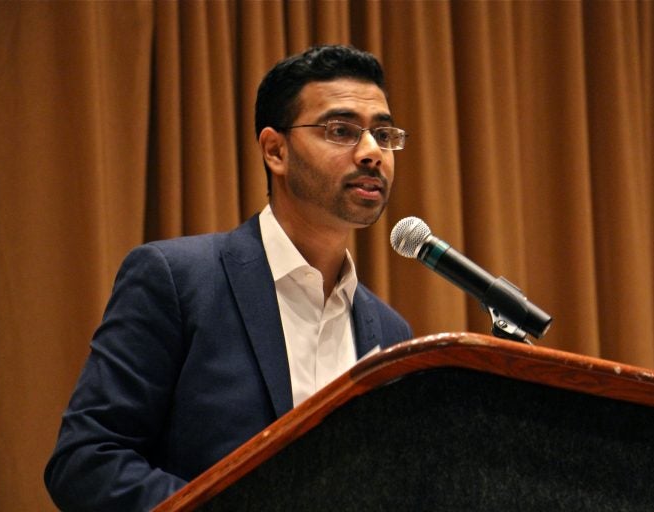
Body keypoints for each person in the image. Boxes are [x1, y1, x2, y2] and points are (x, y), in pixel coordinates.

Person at [44, 45, 413, 511]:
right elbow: (85, 461)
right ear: (275, 151)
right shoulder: (177, 280)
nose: (371, 153)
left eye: (383, 134)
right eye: (341, 131)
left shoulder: (392, 334)